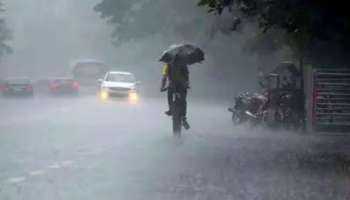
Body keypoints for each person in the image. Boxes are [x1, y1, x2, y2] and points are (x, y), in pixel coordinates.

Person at [160, 57, 190, 130]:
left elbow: (164, 76)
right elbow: (187, 76)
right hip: (182, 86)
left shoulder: (168, 64)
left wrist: (162, 87)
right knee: (183, 100)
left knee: (169, 96)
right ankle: (183, 117)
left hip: (172, 85)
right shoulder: (184, 64)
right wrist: (187, 84)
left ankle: (170, 109)